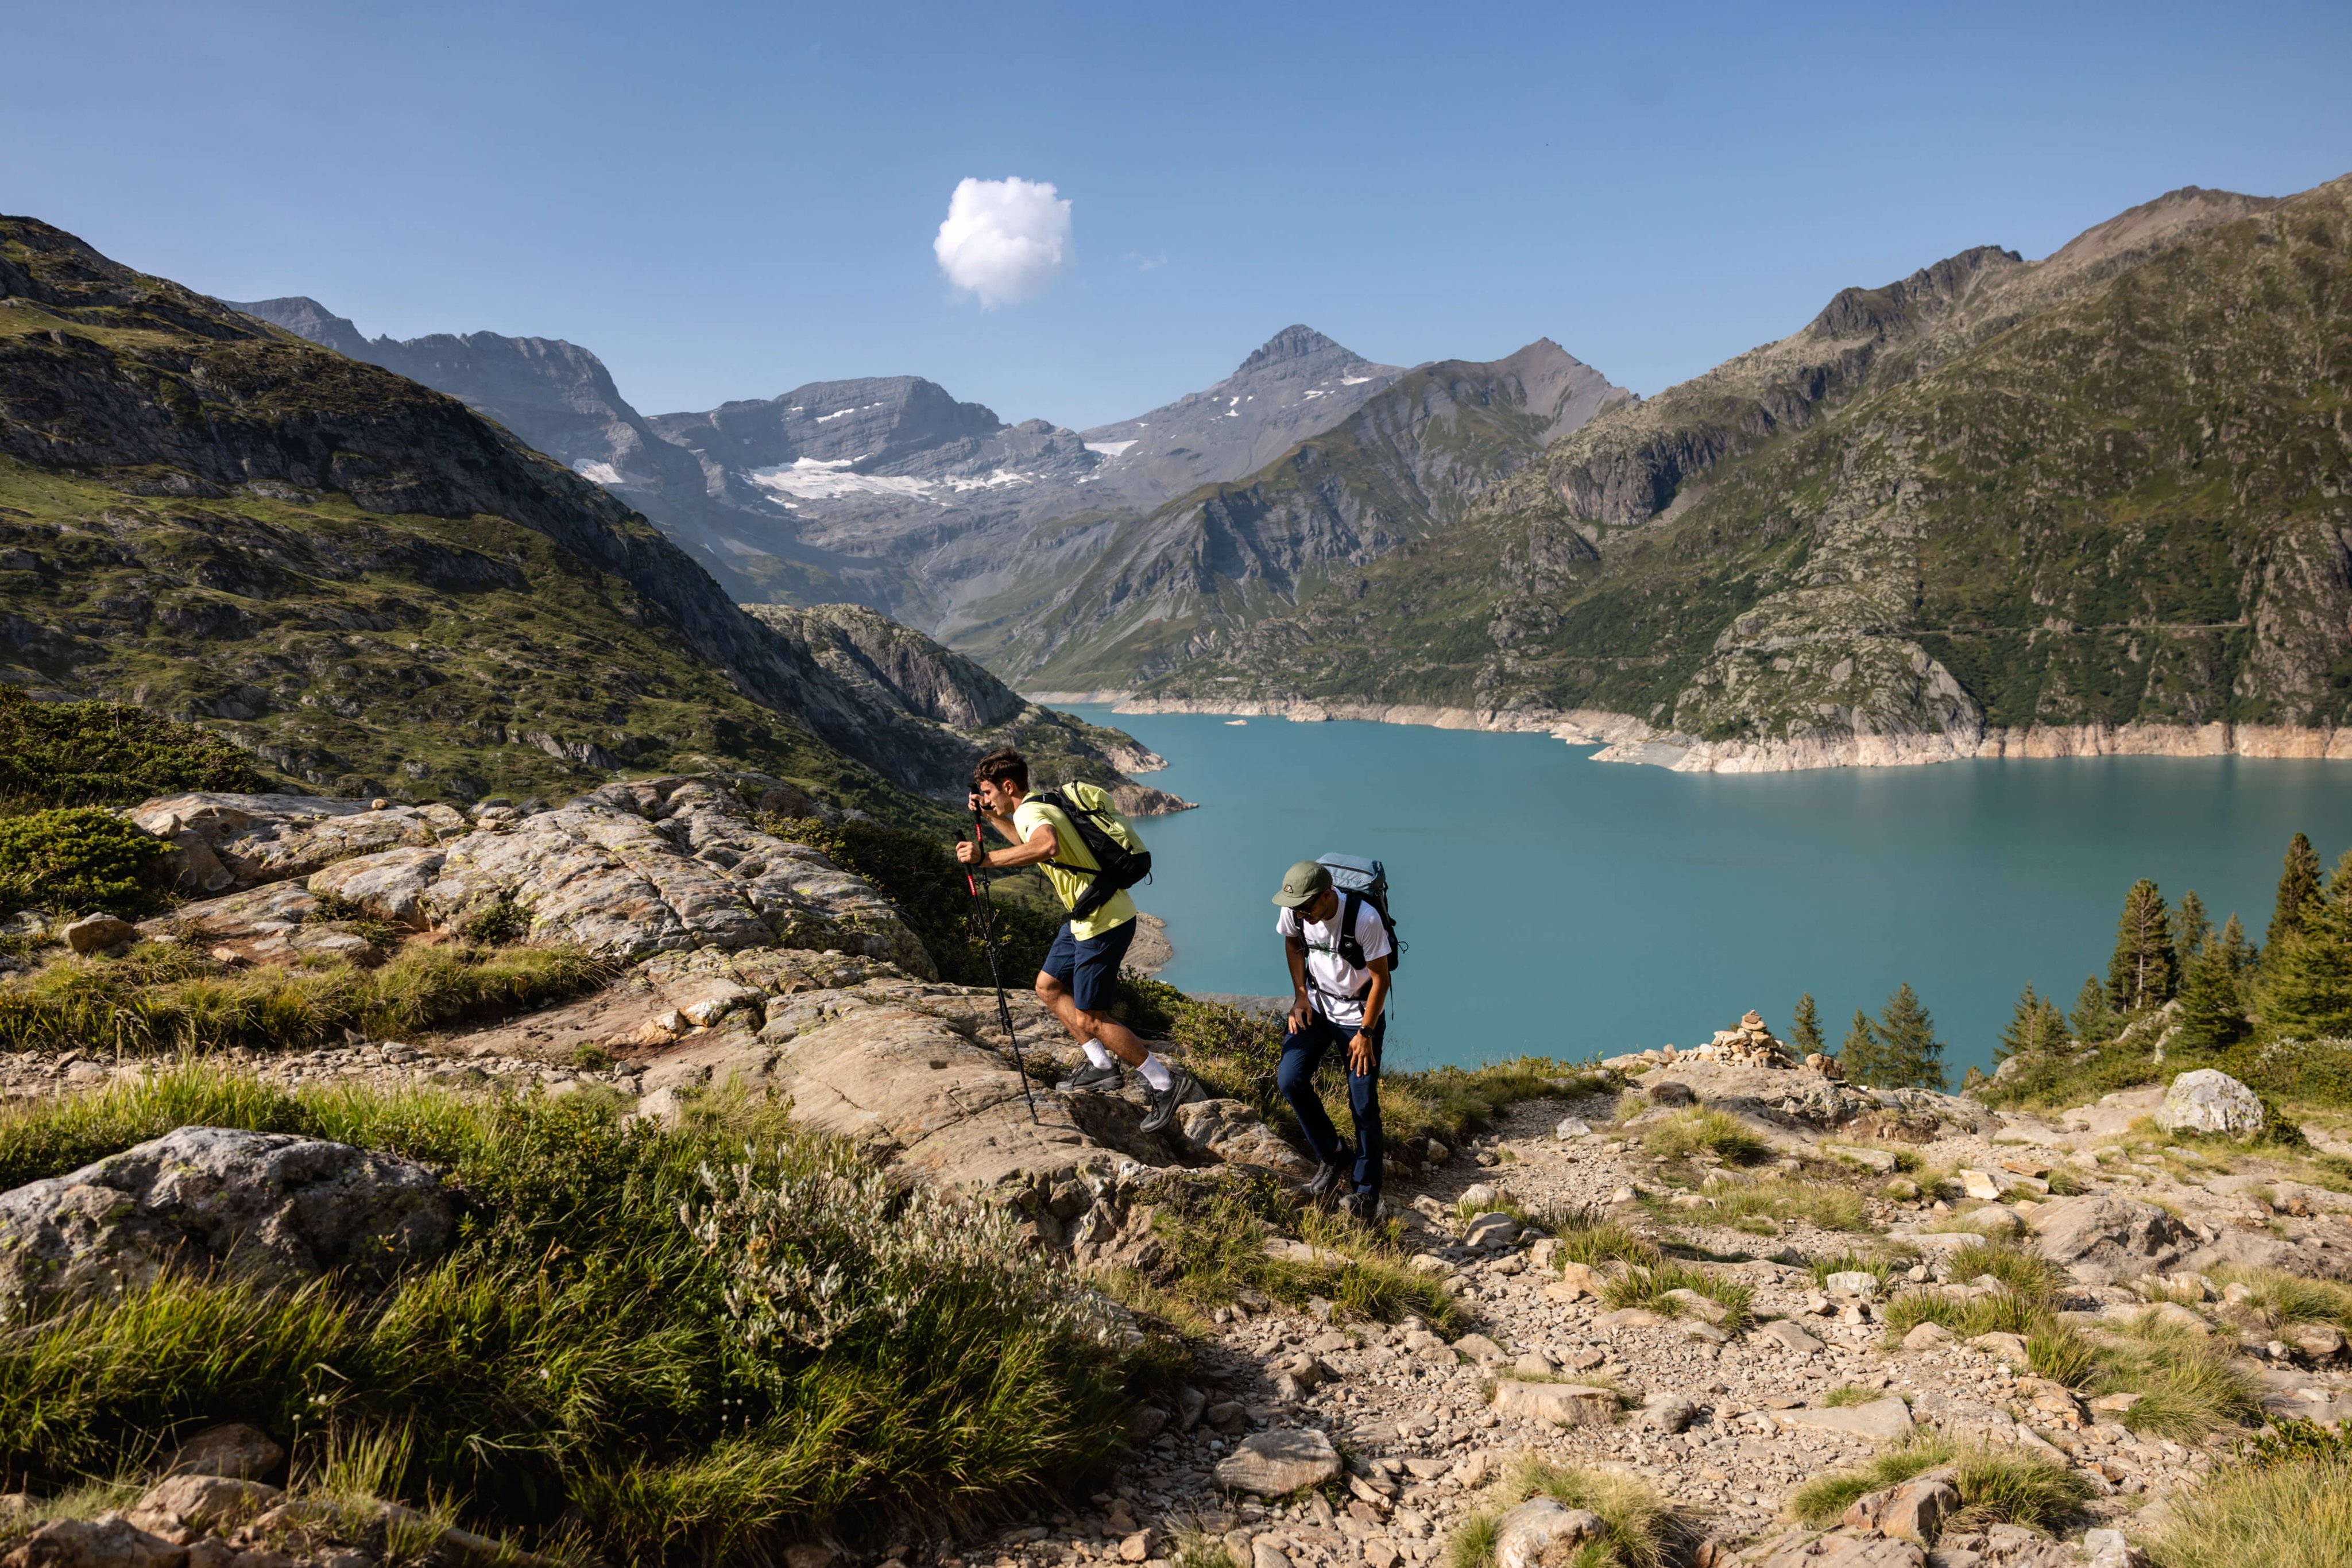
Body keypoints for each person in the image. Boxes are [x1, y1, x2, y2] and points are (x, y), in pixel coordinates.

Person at [955, 747, 1202, 1133]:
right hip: (1086, 917)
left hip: (1102, 923)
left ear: (1007, 786)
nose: (983, 798)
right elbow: (1030, 839)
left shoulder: (1034, 812)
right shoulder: (1036, 803)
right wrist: (991, 816)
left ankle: (1165, 1083)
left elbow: (1046, 846)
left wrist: (985, 859)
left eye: (987, 792)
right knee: (1048, 986)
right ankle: (1102, 1067)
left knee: (1092, 1017)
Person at [1272, 860, 1391, 1219]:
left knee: (1363, 1103)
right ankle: (1334, 1154)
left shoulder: (1364, 919)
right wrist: (1300, 995)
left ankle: (1366, 1193)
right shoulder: (1297, 913)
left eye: (1307, 906)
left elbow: (1381, 980)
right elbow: (1293, 946)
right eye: (1295, 907)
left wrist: (1366, 1034)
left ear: (1327, 896)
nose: (1300, 914)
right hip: (1318, 1008)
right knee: (1290, 1080)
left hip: (1359, 1019)